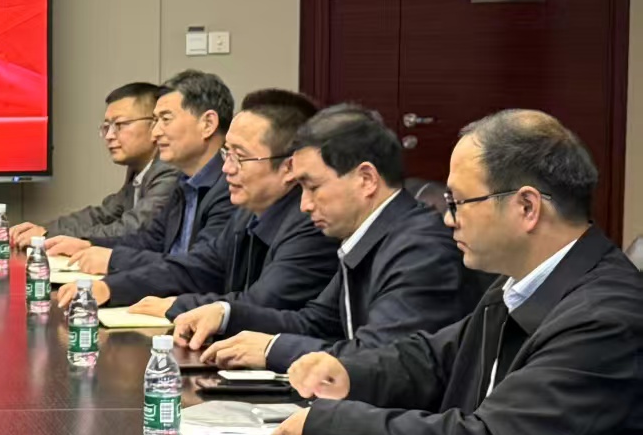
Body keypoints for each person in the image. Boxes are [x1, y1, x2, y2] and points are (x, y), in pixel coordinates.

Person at [268, 111, 643, 435]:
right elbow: (436, 358)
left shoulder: (606, 317)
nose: (448, 220)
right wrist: (350, 373)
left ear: (527, 207)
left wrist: (333, 427)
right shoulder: (517, 285)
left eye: (459, 202)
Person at [176, 104, 475, 370]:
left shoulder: (420, 250)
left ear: (366, 179)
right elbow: (315, 323)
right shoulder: (370, 236)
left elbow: (380, 357)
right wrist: (226, 315)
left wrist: (272, 350)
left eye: (313, 187)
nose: (304, 205)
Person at [63, 89, 336, 316]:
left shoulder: (311, 224)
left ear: (289, 168)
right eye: (226, 154)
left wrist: (178, 306)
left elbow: (262, 303)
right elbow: (198, 268)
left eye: (240, 157)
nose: (226, 168)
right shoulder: (247, 212)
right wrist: (112, 288)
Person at [50, 70, 236, 277]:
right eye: (155, 121)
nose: (155, 133)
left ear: (208, 124)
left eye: (166, 119)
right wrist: (88, 244)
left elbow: (199, 268)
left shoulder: (232, 188)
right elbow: (150, 240)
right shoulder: (184, 183)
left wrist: (113, 261)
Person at [10, 82, 179, 250]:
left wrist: (49, 236)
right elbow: (103, 215)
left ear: (154, 124)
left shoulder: (169, 169)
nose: (109, 136)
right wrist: (45, 230)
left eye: (120, 125)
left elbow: (133, 229)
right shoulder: (139, 170)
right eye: (106, 127)